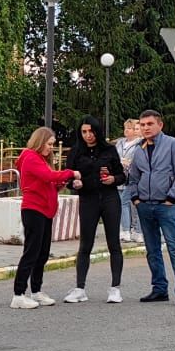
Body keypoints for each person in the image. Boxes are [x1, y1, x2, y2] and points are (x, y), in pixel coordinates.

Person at [127, 109, 175, 307]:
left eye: (150, 124)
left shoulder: (174, 145)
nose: (146, 128)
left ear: (160, 125)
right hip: (145, 206)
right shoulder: (138, 149)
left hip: (167, 206)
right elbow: (133, 177)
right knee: (152, 250)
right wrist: (136, 199)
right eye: (143, 124)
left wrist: (171, 199)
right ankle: (159, 289)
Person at [10, 127, 79, 309]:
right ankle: (18, 294)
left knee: (42, 253)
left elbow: (48, 182)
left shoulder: (40, 159)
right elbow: (48, 176)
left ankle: (36, 290)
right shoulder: (31, 157)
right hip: (34, 210)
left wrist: (60, 184)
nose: (51, 148)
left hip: (45, 210)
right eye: (49, 144)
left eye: (52, 145)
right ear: (40, 142)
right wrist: (71, 173)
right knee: (31, 253)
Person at [63, 115, 127, 304]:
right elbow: (68, 179)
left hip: (109, 198)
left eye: (91, 131)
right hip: (88, 199)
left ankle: (115, 288)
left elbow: (122, 175)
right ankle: (79, 288)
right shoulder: (75, 152)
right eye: (84, 132)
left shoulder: (109, 150)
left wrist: (113, 179)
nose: (88, 135)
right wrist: (75, 184)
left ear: (97, 131)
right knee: (85, 244)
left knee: (113, 243)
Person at [116, 118, 142, 242]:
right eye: (125, 128)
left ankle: (130, 230)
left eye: (130, 128)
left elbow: (138, 160)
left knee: (126, 203)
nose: (127, 130)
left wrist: (127, 162)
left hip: (132, 177)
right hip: (120, 177)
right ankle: (132, 230)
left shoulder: (139, 143)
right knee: (125, 203)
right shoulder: (120, 143)